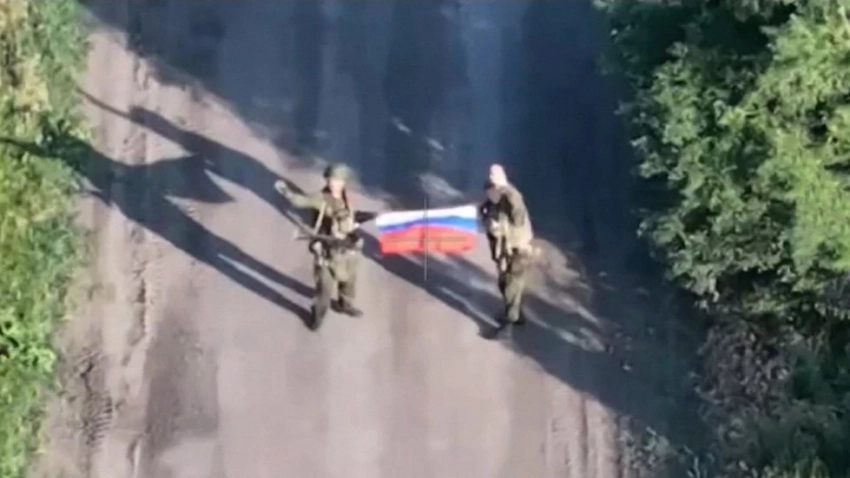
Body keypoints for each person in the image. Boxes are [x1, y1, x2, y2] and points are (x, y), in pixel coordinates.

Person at [274, 164, 364, 330]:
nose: (333, 183)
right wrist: (286, 191)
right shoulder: (321, 198)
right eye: (331, 179)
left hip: (347, 248)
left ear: (344, 182)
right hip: (327, 250)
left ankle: (345, 304)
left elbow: (351, 216)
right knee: (324, 288)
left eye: (337, 180)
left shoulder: (346, 198)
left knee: (349, 280)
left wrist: (367, 217)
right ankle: (317, 317)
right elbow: (300, 201)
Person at [479, 164, 535, 340]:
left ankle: (509, 325)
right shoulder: (494, 199)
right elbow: (486, 212)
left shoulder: (512, 198)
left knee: (511, 286)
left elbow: (517, 216)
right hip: (504, 251)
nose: (490, 193)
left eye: (494, 184)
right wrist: (488, 220)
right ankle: (515, 313)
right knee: (505, 284)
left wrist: (503, 187)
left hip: (518, 251)